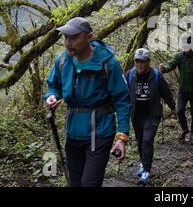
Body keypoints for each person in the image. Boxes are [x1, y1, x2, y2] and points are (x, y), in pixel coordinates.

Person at [44, 17, 130, 187]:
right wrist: (51, 96)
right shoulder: (62, 61)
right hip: (73, 131)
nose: (68, 42)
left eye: (74, 37)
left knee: (90, 183)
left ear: (89, 37)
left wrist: (122, 137)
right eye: (65, 37)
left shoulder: (108, 64)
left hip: (100, 131)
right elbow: (53, 85)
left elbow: (122, 99)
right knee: (75, 183)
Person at [124, 48, 176, 185]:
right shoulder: (129, 75)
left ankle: (146, 170)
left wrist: (173, 107)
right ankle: (143, 163)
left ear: (148, 62)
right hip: (136, 115)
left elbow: (166, 92)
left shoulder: (156, 76)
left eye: (143, 62)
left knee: (147, 141)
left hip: (152, 114)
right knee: (141, 141)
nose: (140, 65)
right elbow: (122, 94)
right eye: (137, 61)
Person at [159, 34, 193, 146]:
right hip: (183, 90)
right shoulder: (179, 56)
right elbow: (171, 65)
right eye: (183, 45)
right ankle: (184, 129)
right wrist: (164, 68)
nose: (185, 47)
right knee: (179, 110)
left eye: (187, 45)